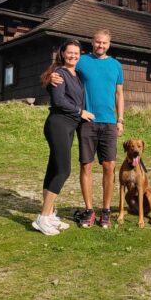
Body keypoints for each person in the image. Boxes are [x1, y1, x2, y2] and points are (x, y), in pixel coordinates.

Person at [49, 29, 124, 229]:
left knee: (109, 167)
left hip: (109, 122)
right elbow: (63, 66)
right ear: (92, 42)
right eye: (98, 42)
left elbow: (119, 94)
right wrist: (51, 77)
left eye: (105, 43)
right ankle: (90, 210)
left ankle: (106, 210)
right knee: (86, 166)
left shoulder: (116, 65)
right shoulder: (82, 60)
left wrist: (121, 119)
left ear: (109, 44)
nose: (101, 45)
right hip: (87, 122)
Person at [33, 40, 95, 235]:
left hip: (68, 126)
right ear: (62, 53)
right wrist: (80, 111)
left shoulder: (76, 75)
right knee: (63, 170)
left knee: (53, 169)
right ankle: (43, 217)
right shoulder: (59, 74)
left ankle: (49, 214)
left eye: (77, 53)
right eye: (70, 53)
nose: (73, 56)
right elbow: (59, 101)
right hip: (59, 123)